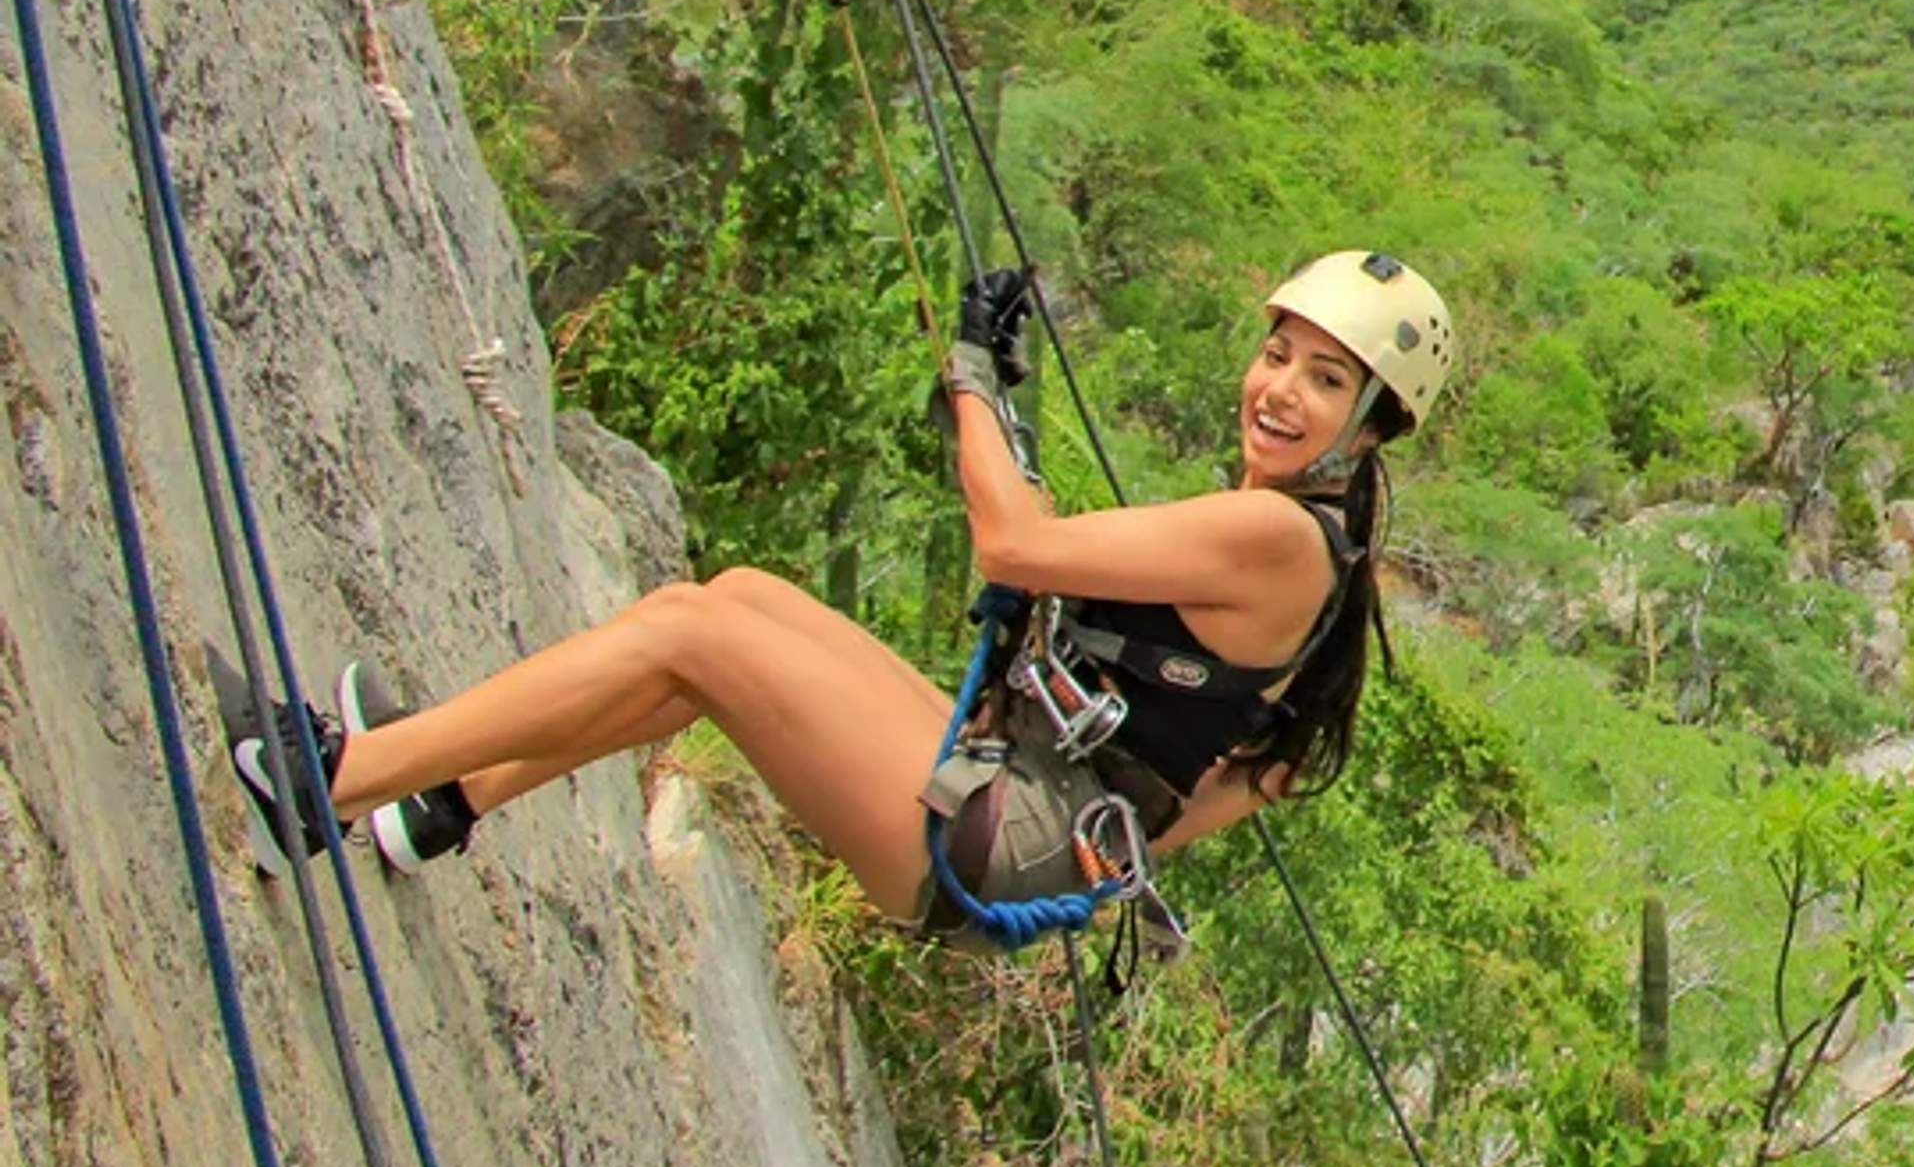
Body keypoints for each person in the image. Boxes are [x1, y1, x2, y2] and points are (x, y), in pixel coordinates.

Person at [225, 251, 1454, 935]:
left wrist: (974, 376)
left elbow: (1013, 545)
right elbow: (1254, 776)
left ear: (1369, 424)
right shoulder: (1322, 552)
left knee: (700, 634)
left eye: (1324, 378)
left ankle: (327, 784)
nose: (1279, 390)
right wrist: (1093, 868)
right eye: (1277, 352)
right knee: (732, 603)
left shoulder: (1271, 535)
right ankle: (439, 797)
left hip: (999, 828)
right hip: (1023, 809)